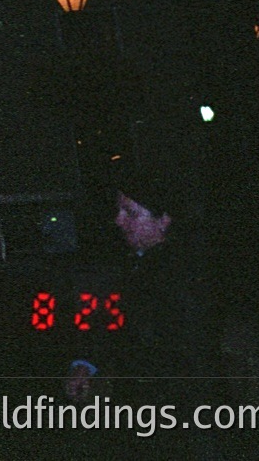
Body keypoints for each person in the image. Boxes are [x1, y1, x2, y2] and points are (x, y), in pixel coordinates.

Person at [66, 170, 216, 407]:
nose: (119, 220)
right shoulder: (133, 265)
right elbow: (113, 324)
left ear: (164, 220)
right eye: (119, 211)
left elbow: (150, 342)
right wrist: (86, 362)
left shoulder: (184, 273)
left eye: (131, 213)